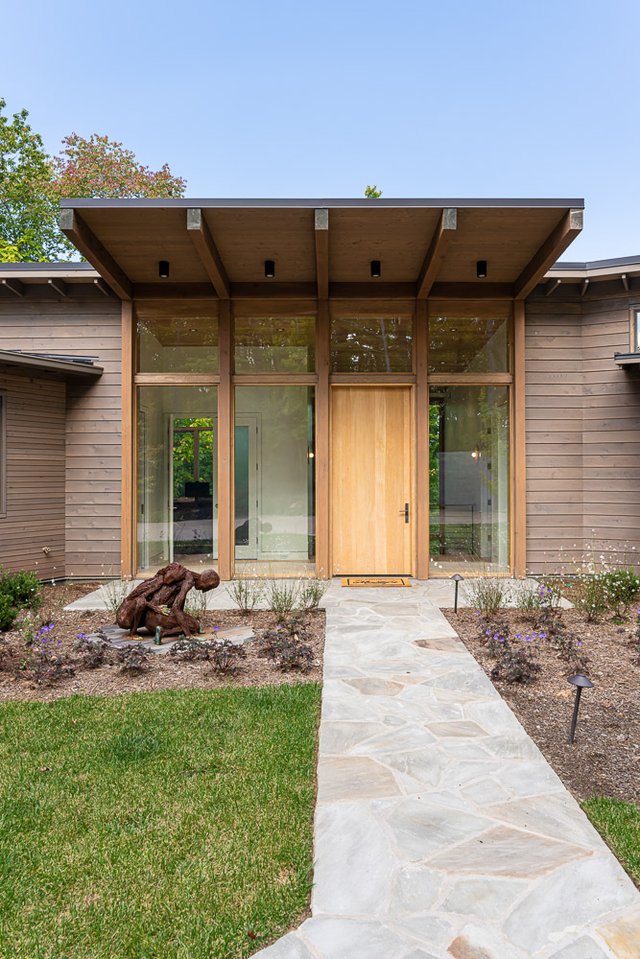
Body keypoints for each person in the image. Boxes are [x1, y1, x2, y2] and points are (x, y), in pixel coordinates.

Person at [116, 563, 219, 638]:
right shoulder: (189, 580)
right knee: (194, 625)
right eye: (207, 588)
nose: (203, 591)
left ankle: (163, 631)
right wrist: (188, 634)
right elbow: (176, 607)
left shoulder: (182, 575)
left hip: (150, 613)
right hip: (154, 617)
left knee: (190, 623)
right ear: (206, 581)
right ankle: (164, 632)